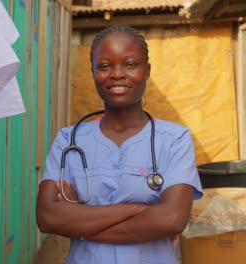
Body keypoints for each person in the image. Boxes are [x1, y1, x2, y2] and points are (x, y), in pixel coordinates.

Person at [36, 25, 203, 264]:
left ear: (147, 70)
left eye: (130, 64)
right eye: (104, 66)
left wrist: (79, 220)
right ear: (92, 71)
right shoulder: (68, 140)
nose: (117, 74)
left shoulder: (175, 140)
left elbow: (173, 219)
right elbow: (47, 218)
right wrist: (141, 210)